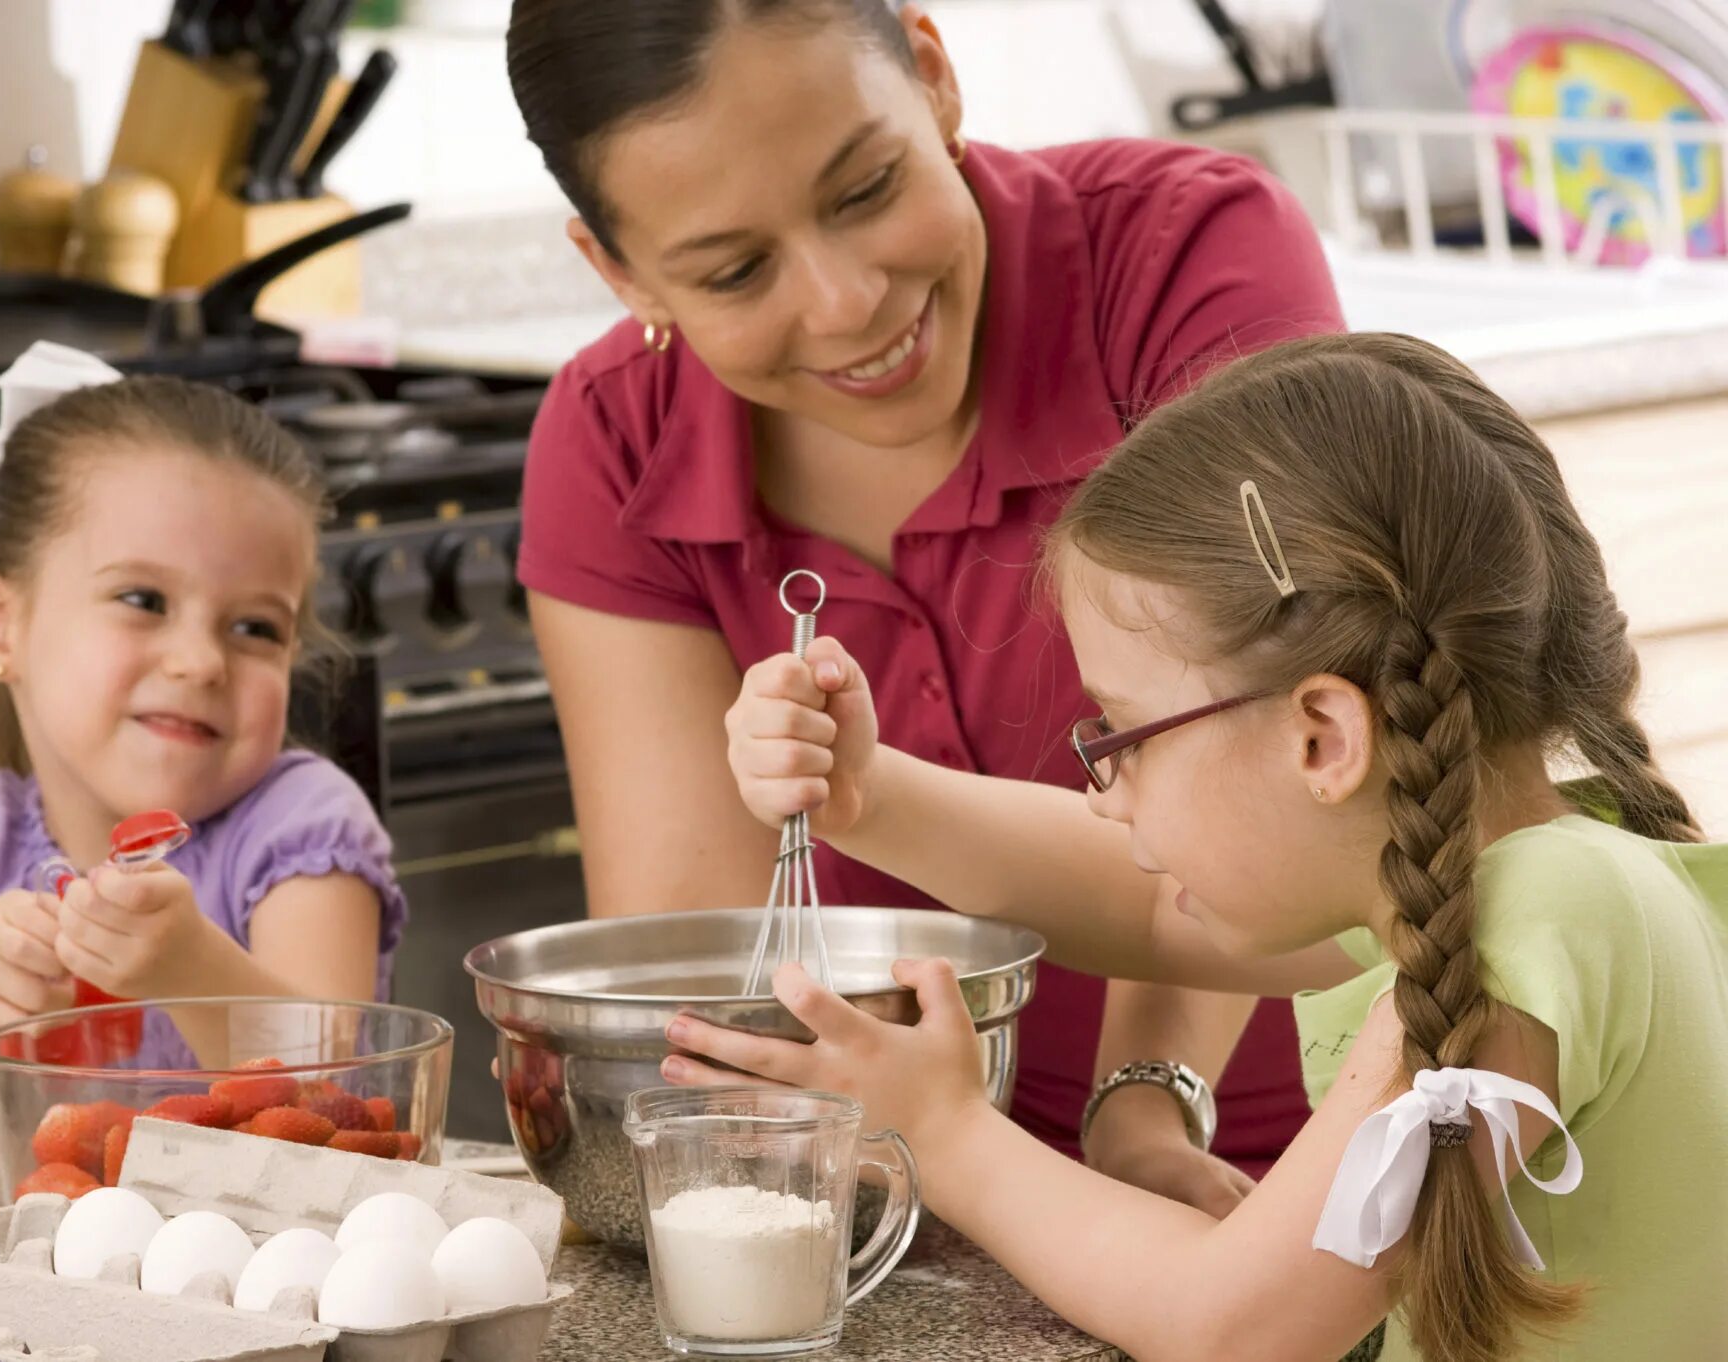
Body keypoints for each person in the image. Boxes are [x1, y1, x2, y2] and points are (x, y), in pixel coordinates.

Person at [682, 331, 1728, 1360]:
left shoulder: (1530, 923)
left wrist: (943, 1134)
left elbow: (1227, 1326)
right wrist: (869, 795)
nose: (1103, 796)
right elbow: (1141, 905)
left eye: (1120, 734)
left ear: (1322, 737)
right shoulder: (1553, 874)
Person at [506, 0, 1346, 1203]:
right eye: (736, 270)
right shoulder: (610, 444)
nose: (846, 300)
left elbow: (1265, 808)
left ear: (933, 77)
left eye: (863, 188)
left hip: (1317, 1156)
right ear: (618, 269)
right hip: (905, 1195)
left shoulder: (1185, 259)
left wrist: (1143, 1117)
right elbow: (701, 997)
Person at [0, 348, 406, 1121]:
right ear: (0, 628)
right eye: (142, 598)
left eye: (255, 626)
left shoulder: (303, 826)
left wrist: (189, 966)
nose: (199, 662)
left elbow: (333, 1092)